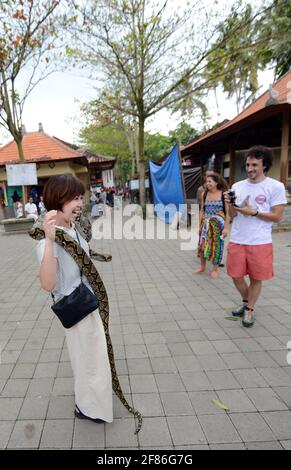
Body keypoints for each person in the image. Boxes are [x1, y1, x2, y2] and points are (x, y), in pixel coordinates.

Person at [31, 175, 142, 430]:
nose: (80, 203)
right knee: (89, 361)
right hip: (76, 307)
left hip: (88, 301)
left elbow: (84, 255)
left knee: (91, 359)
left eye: (81, 197)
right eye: (74, 198)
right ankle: (88, 407)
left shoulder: (72, 228)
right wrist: (48, 240)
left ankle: (89, 404)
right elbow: (47, 284)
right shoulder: (49, 239)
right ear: (57, 199)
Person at [225, 146, 287, 328]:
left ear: (265, 165)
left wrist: (254, 212)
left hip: (260, 241)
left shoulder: (275, 186)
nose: (250, 168)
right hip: (237, 239)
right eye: (248, 164)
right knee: (235, 276)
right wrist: (230, 204)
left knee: (255, 278)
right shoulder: (237, 186)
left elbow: (277, 217)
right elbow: (233, 214)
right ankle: (246, 302)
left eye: (255, 164)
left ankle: (249, 309)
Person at [194, 172, 230, 279]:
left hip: (218, 226)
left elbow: (228, 213)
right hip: (206, 225)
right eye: (206, 181)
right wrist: (199, 225)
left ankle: (215, 269)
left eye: (210, 181)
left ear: (216, 182)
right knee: (201, 246)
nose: (207, 183)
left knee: (216, 246)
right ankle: (203, 267)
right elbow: (201, 210)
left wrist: (227, 228)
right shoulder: (204, 194)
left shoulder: (224, 195)